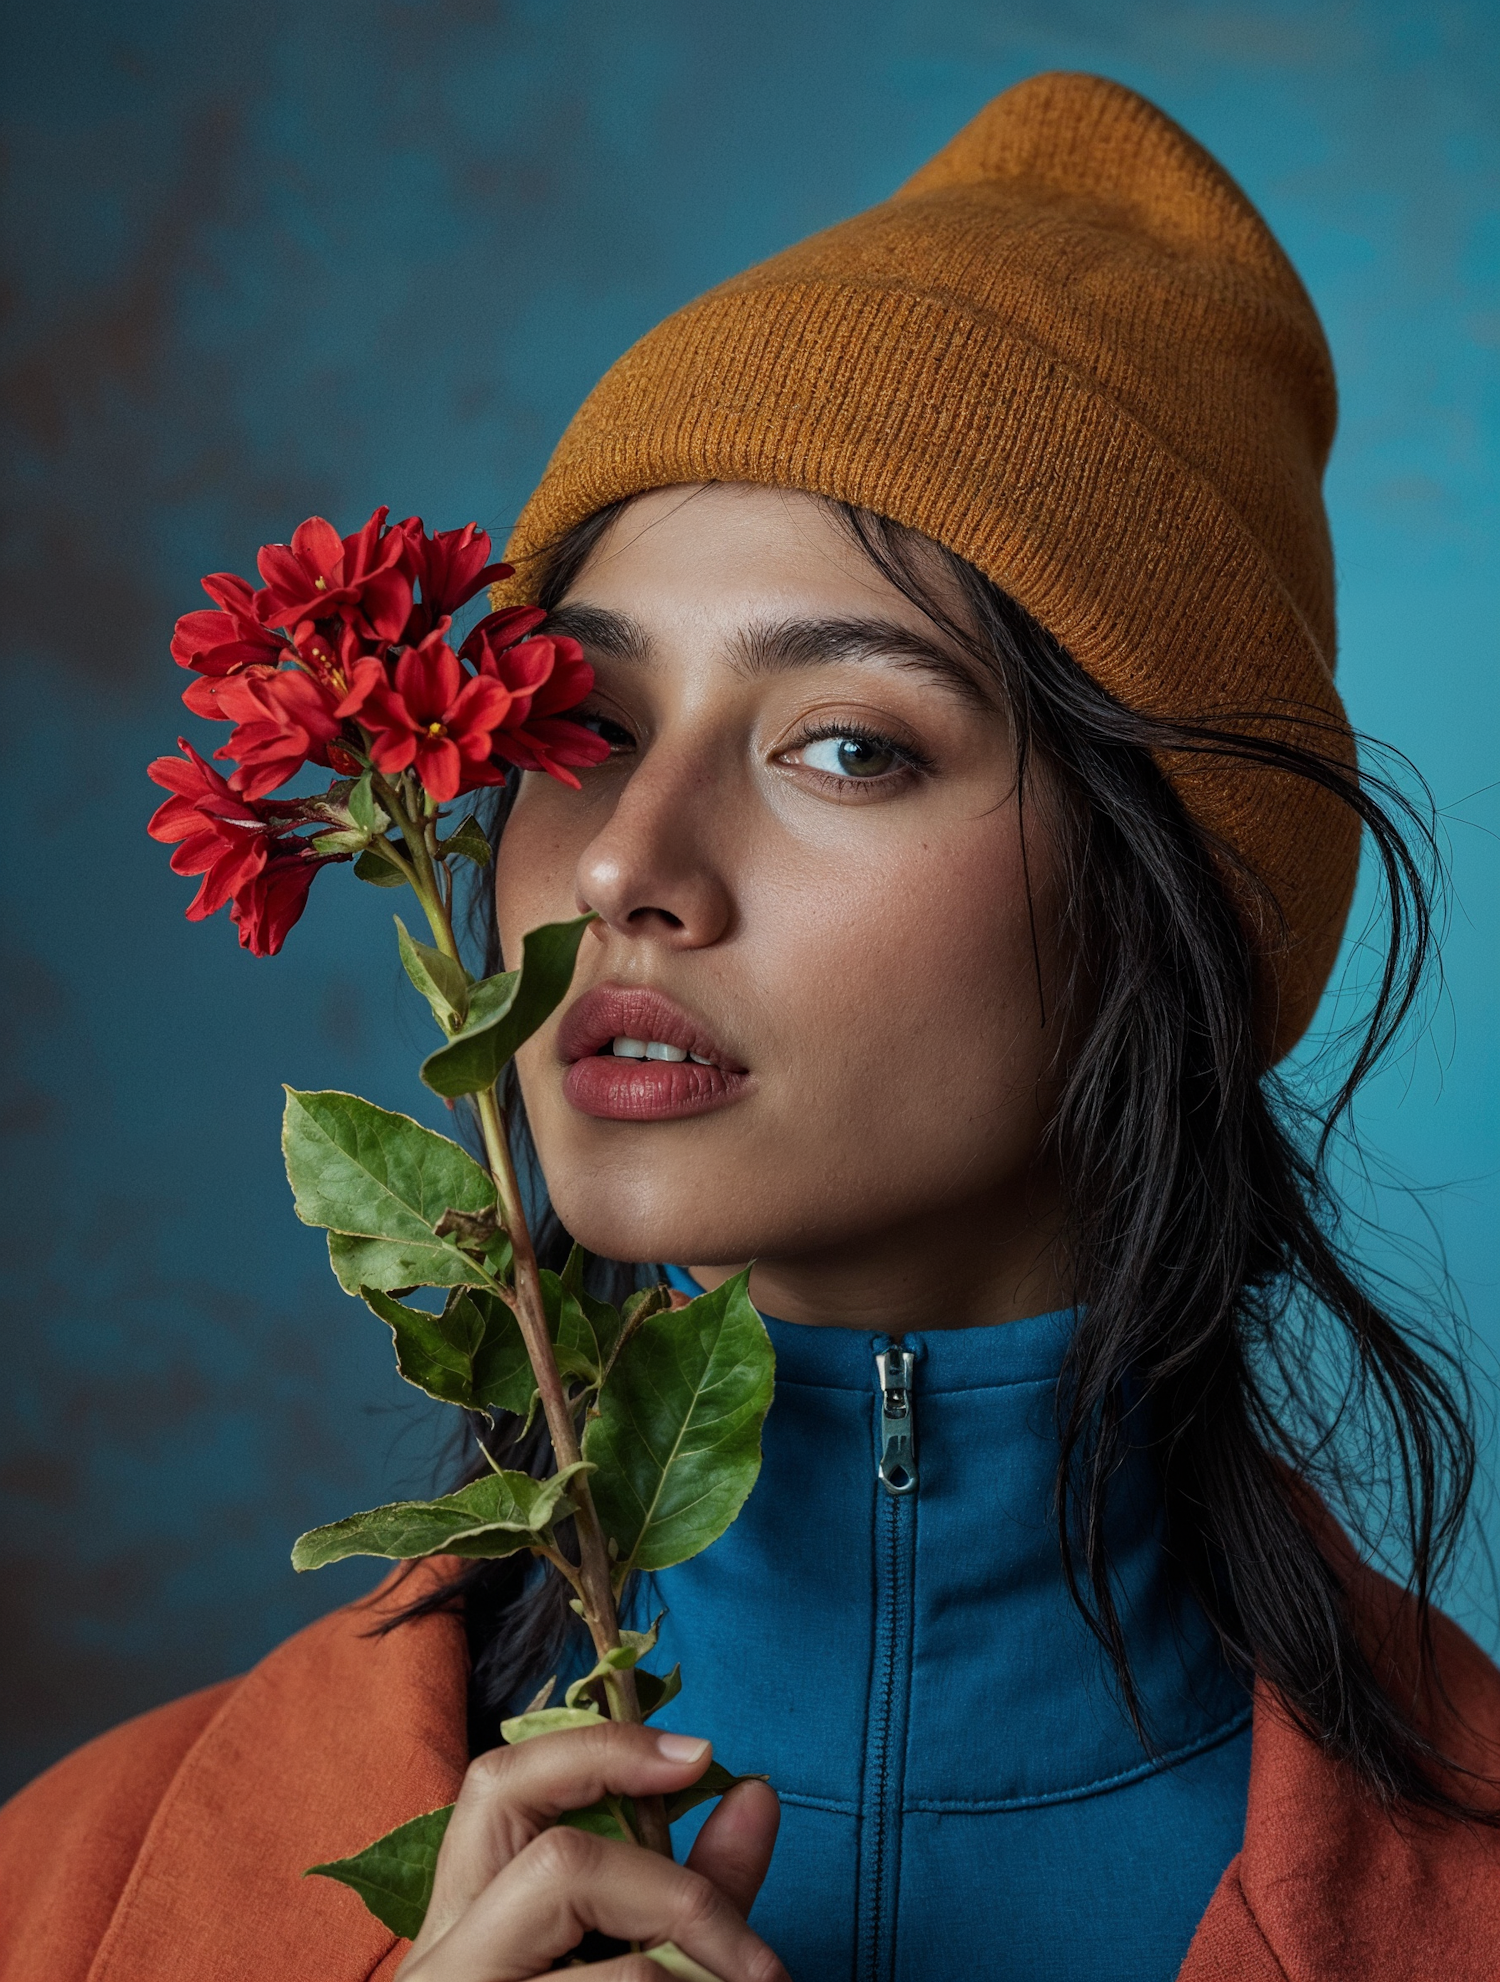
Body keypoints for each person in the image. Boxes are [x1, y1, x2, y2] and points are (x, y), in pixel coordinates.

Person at [2, 68, 1497, 1982]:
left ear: (1170, 912)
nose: (630, 858)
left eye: (847, 745)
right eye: (585, 727)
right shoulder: (71, 1892)